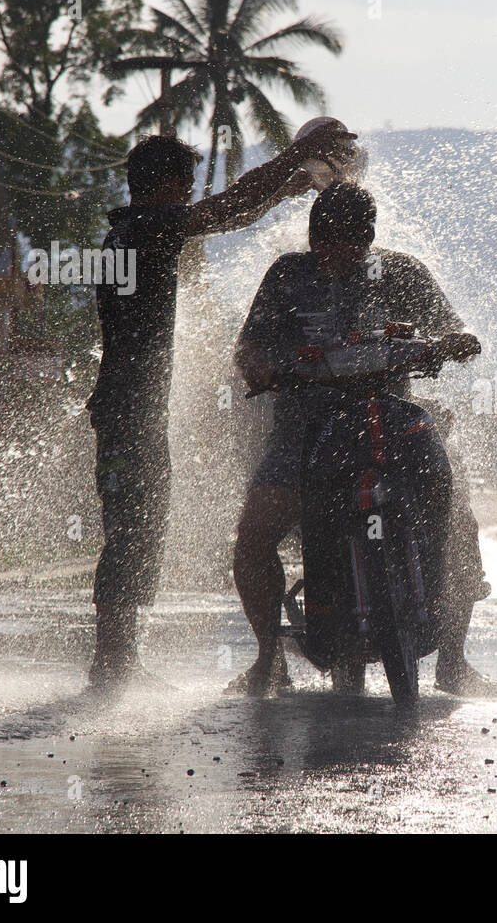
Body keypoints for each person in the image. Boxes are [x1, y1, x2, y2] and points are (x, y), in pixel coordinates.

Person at [86, 121, 356, 690]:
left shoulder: (132, 230)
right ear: (164, 185)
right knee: (131, 533)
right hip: (128, 411)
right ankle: (111, 665)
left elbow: (228, 213)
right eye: (185, 187)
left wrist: (281, 189)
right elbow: (225, 209)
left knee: (139, 529)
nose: (189, 198)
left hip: (130, 408)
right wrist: (294, 156)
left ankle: (118, 662)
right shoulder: (146, 227)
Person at [230, 181, 497, 698]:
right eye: (320, 242)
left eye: (342, 245)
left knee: (460, 524)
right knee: (255, 538)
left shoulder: (401, 272)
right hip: (304, 429)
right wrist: (259, 367)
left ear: (368, 239)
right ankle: (266, 660)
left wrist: (456, 342)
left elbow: (454, 328)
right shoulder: (287, 274)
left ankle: (453, 661)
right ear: (310, 238)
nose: (329, 255)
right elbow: (249, 345)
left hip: (391, 419)